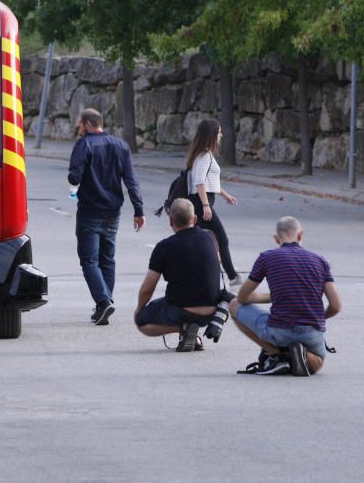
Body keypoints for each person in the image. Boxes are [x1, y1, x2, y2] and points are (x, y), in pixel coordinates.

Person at [231, 216, 342, 376]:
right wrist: (320, 317)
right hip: (312, 331)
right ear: (300, 235)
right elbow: (336, 306)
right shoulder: (320, 261)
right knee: (317, 362)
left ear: (276, 239)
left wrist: (272, 296)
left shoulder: (267, 258)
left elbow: (242, 298)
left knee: (234, 305)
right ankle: (303, 354)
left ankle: (276, 354)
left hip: (279, 331)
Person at [68, 108, 145, 326]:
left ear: (87, 124)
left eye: (80, 124)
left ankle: (103, 302)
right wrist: (138, 210)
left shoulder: (84, 145)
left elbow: (74, 176)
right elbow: (131, 181)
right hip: (113, 212)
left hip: (90, 211)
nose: (78, 128)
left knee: (89, 260)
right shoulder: (121, 145)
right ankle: (105, 302)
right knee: (107, 259)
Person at [134, 199, 223, 352]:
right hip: (213, 311)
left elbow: (148, 288)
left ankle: (184, 328)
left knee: (142, 322)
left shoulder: (164, 246)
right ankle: (191, 334)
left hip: (180, 309)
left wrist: (139, 308)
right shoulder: (210, 237)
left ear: (170, 221)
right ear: (194, 219)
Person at [186, 118, 242, 287]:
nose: (221, 135)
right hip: (200, 202)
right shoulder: (204, 156)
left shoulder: (203, 154)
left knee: (203, 240)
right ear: (211, 135)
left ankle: (201, 272)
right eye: (218, 132)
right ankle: (232, 276)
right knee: (221, 239)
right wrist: (205, 206)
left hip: (200, 201)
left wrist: (224, 194)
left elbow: (210, 181)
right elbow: (200, 182)